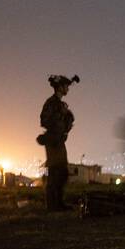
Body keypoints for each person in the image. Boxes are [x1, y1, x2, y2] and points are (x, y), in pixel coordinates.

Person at [38, 74, 79, 211]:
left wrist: (66, 117)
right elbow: (44, 120)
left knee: (62, 173)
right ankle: (52, 205)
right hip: (53, 141)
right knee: (55, 172)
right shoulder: (51, 103)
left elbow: (68, 121)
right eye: (66, 86)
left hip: (60, 141)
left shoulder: (61, 105)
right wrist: (59, 119)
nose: (68, 88)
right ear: (59, 87)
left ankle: (58, 204)